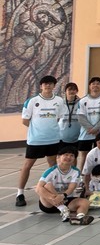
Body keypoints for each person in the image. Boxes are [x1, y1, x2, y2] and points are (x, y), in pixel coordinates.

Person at [16, 75, 67, 207]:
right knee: (27, 165)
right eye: (45, 83)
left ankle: (53, 190)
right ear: (41, 86)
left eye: (50, 83)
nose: (47, 85)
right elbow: (25, 120)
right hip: (35, 140)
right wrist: (38, 129)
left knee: (53, 166)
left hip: (53, 139)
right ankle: (20, 193)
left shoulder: (59, 101)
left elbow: (60, 117)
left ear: (54, 85)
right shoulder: (32, 101)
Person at [35, 145, 92, 224]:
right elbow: (38, 188)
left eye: (72, 155)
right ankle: (63, 209)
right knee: (47, 185)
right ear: (58, 157)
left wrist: (62, 196)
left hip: (66, 199)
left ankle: (79, 218)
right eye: (66, 155)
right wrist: (54, 198)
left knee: (85, 202)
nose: (69, 157)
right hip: (49, 203)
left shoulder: (76, 171)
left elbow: (71, 188)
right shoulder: (51, 171)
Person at [76, 76, 100, 171]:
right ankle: (82, 175)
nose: (95, 85)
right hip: (86, 134)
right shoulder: (83, 100)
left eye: (98, 84)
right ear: (89, 86)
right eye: (93, 84)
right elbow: (80, 117)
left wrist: (96, 128)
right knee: (84, 156)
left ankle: (99, 175)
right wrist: (91, 129)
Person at [58, 82, 81, 147]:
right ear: (65, 91)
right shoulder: (60, 103)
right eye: (69, 89)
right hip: (61, 137)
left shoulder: (81, 103)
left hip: (77, 137)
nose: (72, 91)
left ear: (77, 91)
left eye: (74, 89)